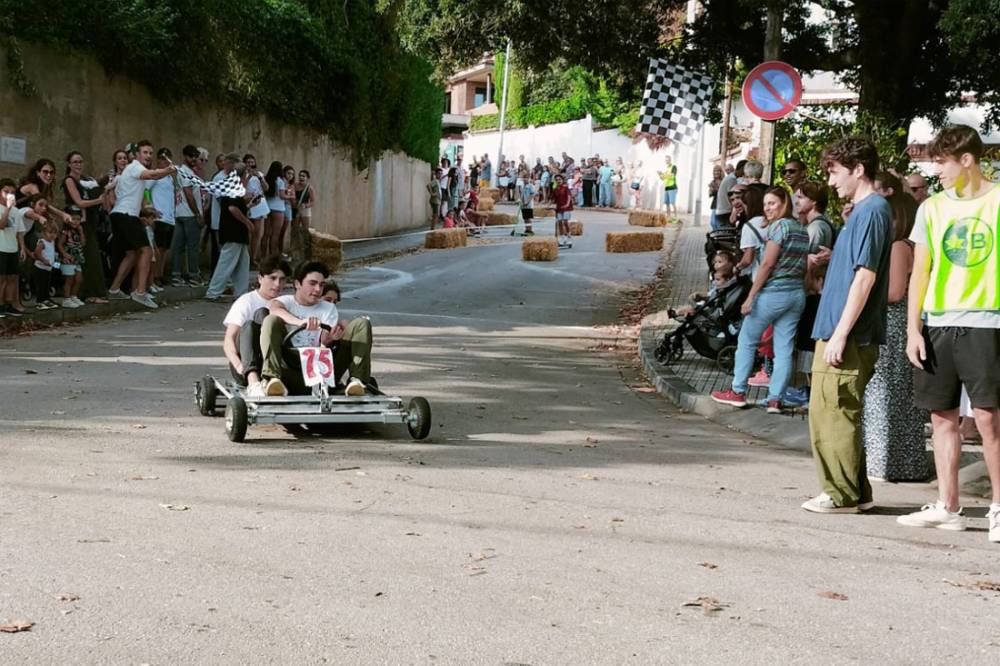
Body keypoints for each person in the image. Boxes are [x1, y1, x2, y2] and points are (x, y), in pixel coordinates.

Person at [899, 125, 1000, 540]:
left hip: (987, 321)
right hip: (939, 322)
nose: (935, 170)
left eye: (940, 162)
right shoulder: (933, 208)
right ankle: (948, 505)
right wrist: (913, 329)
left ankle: (998, 508)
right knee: (942, 417)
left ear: (966, 160)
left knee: (989, 419)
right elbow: (919, 271)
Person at [801, 136, 893, 514]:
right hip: (843, 329)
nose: (832, 180)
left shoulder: (872, 211)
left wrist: (840, 333)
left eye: (836, 172)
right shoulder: (866, 210)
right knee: (838, 410)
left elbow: (865, 276)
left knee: (832, 411)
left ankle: (839, 494)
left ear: (858, 170)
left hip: (848, 333)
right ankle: (856, 492)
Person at [711, 187, 808, 413]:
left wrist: (751, 296)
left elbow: (767, 264)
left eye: (773, 203)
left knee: (747, 340)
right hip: (796, 294)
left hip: (773, 293)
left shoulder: (779, 228)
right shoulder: (801, 229)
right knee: (784, 347)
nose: (767, 208)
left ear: (784, 203)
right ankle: (775, 398)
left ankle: (737, 391)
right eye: (765, 204)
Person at [862, 172, 928, 482]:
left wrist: (867, 285)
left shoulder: (900, 247)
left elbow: (894, 292)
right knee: (895, 395)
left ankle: (885, 461)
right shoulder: (904, 246)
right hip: (898, 323)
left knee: (887, 394)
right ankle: (898, 461)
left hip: (895, 324)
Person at [259, 261, 373, 397]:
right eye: (312, 284)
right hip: (290, 366)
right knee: (270, 320)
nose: (318, 289)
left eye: (321, 285)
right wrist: (300, 322)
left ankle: (357, 381)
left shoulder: (328, 307)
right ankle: (272, 379)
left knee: (361, 323)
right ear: (297, 284)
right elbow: (274, 309)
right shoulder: (286, 301)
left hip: (321, 368)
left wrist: (332, 338)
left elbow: (325, 340)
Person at [105, 140, 177, 309]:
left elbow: (131, 196)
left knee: (131, 254)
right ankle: (140, 292)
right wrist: (168, 170)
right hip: (125, 216)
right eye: (145, 152)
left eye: (150, 153)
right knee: (146, 250)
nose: (148, 156)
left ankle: (114, 290)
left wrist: (146, 212)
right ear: (137, 155)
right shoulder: (136, 167)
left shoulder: (131, 171)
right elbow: (152, 175)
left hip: (121, 215)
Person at [222, 255, 292, 398]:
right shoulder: (246, 301)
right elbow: (229, 339)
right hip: (248, 364)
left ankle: (272, 378)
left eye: (282, 279)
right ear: (260, 278)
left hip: (278, 364)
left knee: (270, 320)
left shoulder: (286, 303)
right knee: (257, 318)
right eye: (272, 278)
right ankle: (254, 382)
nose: (278, 284)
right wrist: (239, 366)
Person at [62, 152, 108, 304]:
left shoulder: (86, 180)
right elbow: (79, 202)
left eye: (80, 161)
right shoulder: (69, 180)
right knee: (88, 258)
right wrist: (98, 200)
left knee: (90, 258)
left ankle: (87, 294)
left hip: (89, 223)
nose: (78, 164)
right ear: (69, 164)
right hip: (77, 224)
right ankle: (89, 294)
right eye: (75, 162)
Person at [205, 158, 253, 301]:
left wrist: (248, 205)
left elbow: (235, 206)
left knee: (242, 263)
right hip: (233, 231)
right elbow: (232, 208)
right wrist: (247, 222)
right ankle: (213, 292)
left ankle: (241, 293)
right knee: (226, 262)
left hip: (237, 232)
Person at [172, 145, 205, 286]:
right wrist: (197, 213)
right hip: (189, 214)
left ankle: (176, 275)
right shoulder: (186, 172)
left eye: (195, 157)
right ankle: (193, 275)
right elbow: (188, 193)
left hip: (180, 213)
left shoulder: (186, 171)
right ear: (185, 156)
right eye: (191, 156)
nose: (194, 159)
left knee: (178, 246)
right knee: (192, 246)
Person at [146, 148, 177, 292]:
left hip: (169, 218)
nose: (165, 161)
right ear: (158, 160)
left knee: (164, 249)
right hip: (159, 217)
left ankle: (160, 274)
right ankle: (153, 277)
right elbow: (146, 191)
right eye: (162, 158)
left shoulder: (170, 177)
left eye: (167, 158)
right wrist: (150, 208)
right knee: (157, 249)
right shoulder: (155, 175)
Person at [0, 179, 26, 316]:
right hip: (1, 248)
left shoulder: (17, 211)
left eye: (12, 193)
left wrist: (22, 248)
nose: (9, 195)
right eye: (6, 192)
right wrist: (8, 209)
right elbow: (2, 225)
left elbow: (19, 232)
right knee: (1, 278)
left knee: (12, 278)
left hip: (12, 249)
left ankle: (9, 304)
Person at [733, 184, 767, 279]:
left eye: (744, 205)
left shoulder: (750, 226)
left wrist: (737, 268)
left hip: (761, 277)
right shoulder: (775, 221)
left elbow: (747, 260)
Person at [244, 154, 269, 267]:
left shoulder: (259, 174)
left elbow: (266, 188)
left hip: (259, 203)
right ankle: (245, 258)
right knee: (247, 232)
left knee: (258, 233)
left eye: (252, 162)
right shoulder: (242, 175)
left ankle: (253, 258)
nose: (250, 164)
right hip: (248, 202)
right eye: (248, 162)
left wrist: (259, 177)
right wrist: (248, 177)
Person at [57, 207, 86, 307]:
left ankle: (74, 296)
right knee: (69, 279)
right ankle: (66, 299)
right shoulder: (65, 231)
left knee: (79, 279)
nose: (76, 221)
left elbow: (83, 244)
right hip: (68, 259)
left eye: (78, 219)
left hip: (77, 258)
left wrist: (81, 232)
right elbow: (60, 244)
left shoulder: (78, 231)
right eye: (73, 219)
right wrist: (64, 254)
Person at [796, 181, 835, 254]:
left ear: (814, 201)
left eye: (800, 197)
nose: (796, 202)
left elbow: (804, 258)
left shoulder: (815, 227)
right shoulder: (820, 223)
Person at [31, 221, 60, 311]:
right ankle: (39, 301)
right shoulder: (42, 242)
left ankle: (45, 299)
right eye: (50, 232)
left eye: (55, 233)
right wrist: (43, 260)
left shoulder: (52, 242)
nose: (52, 235)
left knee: (46, 284)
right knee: (41, 284)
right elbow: (37, 253)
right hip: (40, 267)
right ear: (44, 233)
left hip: (48, 268)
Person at [263, 161, 288, 259]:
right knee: (275, 234)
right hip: (278, 209)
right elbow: (282, 196)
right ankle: (272, 257)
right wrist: (290, 196)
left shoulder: (266, 179)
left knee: (265, 234)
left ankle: (263, 257)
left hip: (267, 208)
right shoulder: (280, 181)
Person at [713, 159, 744, 229]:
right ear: (742, 169)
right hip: (725, 213)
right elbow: (732, 197)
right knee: (727, 238)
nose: (744, 174)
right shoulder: (732, 179)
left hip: (722, 211)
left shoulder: (730, 177)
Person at [553, 174, 573, 249]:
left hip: (566, 207)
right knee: (559, 222)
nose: (558, 181)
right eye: (557, 180)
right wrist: (550, 205)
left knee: (565, 221)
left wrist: (567, 204)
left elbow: (569, 196)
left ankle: (568, 237)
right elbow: (553, 199)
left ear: (562, 180)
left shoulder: (565, 188)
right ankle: (562, 238)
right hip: (559, 208)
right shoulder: (555, 189)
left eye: (559, 179)